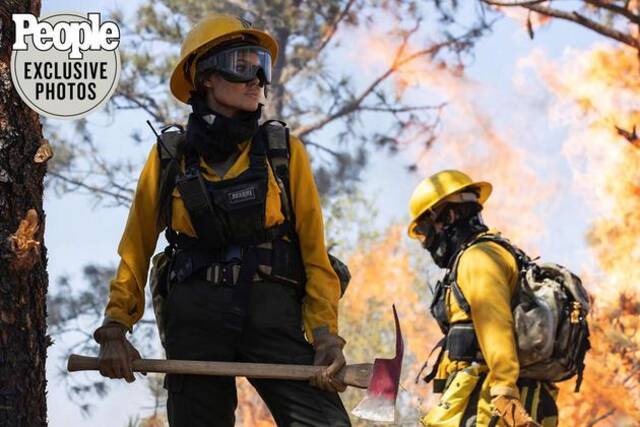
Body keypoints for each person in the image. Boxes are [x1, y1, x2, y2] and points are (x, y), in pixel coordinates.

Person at [92, 13, 351, 427]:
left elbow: (315, 255)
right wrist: (114, 329)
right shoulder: (170, 157)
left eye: (261, 67)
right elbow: (135, 250)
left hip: (272, 314)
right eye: (241, 65)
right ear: (206, 77)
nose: (256, 80)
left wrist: (325, 338)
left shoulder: (285, 153)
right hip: (194, 320)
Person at [407, 170, 558, 427]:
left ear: (448, 216)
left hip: (490, 400)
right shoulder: (492, 251)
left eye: (423, 229)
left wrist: (504, 391)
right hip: (489, 394)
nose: (426, 242)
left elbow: (495, 324)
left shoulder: (478, 259)